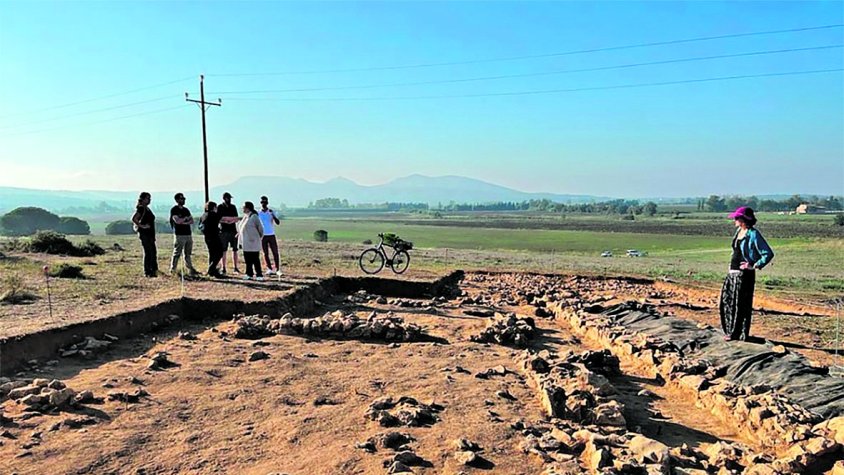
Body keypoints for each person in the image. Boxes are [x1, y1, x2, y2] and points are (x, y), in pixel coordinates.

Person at [719, 206, 774, 341]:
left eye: (737, 218)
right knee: (727, 302)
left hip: (744, 275)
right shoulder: (739, 231)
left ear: (744, 219)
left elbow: (768, 253)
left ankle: (736, 333)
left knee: (740, 305)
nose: (735, 220)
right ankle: (730, 330)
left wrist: (754, 265)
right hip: (732, 273)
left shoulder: (753, 234)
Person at [169, 192, 199, 276]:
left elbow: (192, 220)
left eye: (184, 199)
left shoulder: (186, 210)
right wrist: (185, 219)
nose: (183, 200)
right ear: (177, 200)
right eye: (182, 199)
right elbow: (177, 221)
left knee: (188, 253)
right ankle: (173, 269)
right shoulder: (174, 210)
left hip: (188, 234)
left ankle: (190, 269)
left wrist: (184, 221)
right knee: (177, 253)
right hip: (179, 234)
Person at [131, 192, 158, 277]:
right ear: (142, 199)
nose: (149, 200)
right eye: (147, 198)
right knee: (148, 252)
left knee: (153, 252)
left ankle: (153, 270)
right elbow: (134, 218)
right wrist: (142, 226)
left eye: (150, 198)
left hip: (150, 234)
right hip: (145, 234)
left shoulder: (147, 208)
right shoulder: (141, 208)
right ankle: (148, 271)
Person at [237, 201, 264, 281]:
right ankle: (249, 273)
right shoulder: (245, 217)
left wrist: (257, 237)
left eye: (244, 207)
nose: (243, 209)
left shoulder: (254, 216)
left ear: (248, 208)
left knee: (255, 259)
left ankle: (259, 274)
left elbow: (261, 229)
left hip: (253, 242)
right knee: (247, 259)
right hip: (246, 242)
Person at [217, 192, 241, 274]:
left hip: (232, 230)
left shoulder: (233, 207)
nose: (229, 200)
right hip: (223, 231)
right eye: (228, 198)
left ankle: (236, 267)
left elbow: (236, 218)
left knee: (235, 249)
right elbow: (219, 218)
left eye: (230, 198)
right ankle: (223, 267)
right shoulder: (220, 207)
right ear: (224, 198)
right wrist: (228, 220)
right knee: (223, 250)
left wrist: (228, 220)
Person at [199, 201, 224, 277]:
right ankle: (212, 268)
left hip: (207, 237)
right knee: (220, 252)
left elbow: (200, 226)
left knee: (212, 253)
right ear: (213, 207)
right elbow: (222, 218)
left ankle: (212, 271)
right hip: (214, 236)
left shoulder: (203, 215)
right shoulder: (213, 215)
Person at [258, 195, 282, 275]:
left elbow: (278, 223)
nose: (264, 203)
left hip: (271, 234)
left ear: (267, 202)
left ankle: (278, 269)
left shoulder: (271, 212)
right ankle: (269, 268)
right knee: (265, 253)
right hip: (263, 235)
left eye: (265, 202)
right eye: (262, 202)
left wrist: (273, 215)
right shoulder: (258, 213)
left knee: (275, 252)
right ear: (261, 203)